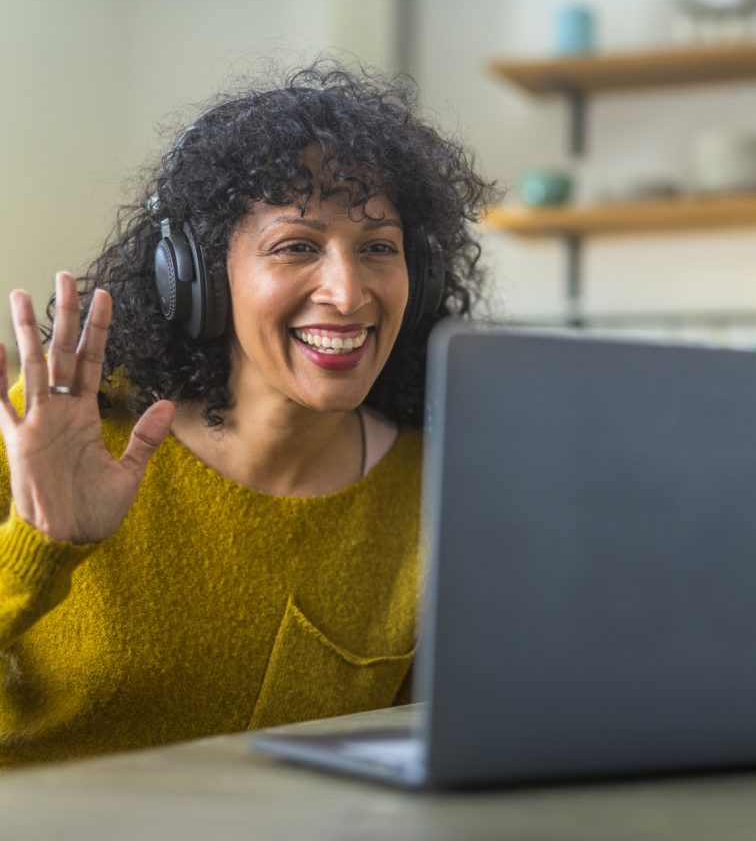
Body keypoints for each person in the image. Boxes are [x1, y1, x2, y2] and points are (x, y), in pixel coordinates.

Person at [0, 61, 495, 768]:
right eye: (297, 246)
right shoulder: (60, 434)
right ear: (196, 273)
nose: (348, 293)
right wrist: (40, 547)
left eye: (378, 249)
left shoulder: (436, 484)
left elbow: (433, 750)